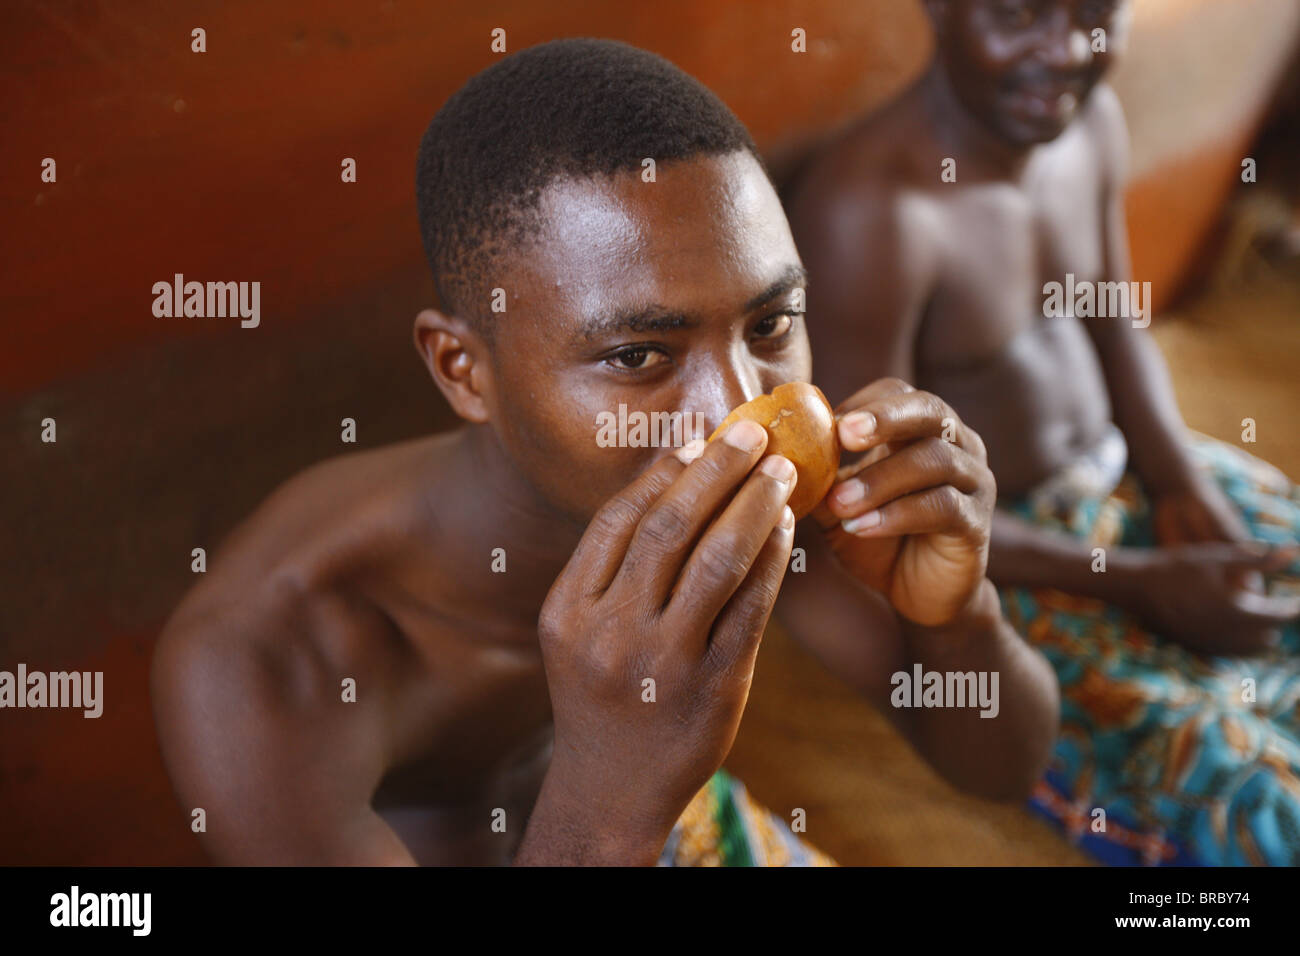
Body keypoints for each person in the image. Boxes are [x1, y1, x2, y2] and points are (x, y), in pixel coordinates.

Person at [151, 37, 1057, 866]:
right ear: (465, 370)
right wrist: (608, 802)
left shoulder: (773, 497)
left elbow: (1000, 767)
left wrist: (956, 616)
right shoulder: (265, 656)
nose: (742, 413)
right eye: (637, 357)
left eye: (771, 323)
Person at [784, 0, 1300, 865]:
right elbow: (873, 508)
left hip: (1127, 465)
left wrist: (1181, 481)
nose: (1064, 50)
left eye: (1096, 14)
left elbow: (1111, 320)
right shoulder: (875, 214)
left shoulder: (1089, 124)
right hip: (999, 549)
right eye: (1019, 13)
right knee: (1257, 801)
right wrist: (1137, 582)